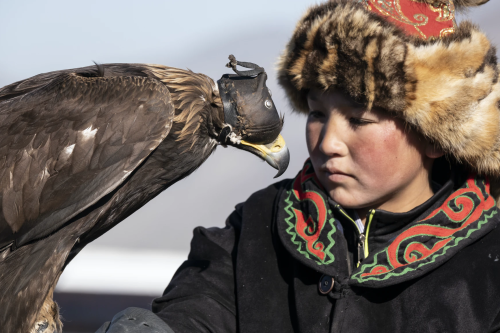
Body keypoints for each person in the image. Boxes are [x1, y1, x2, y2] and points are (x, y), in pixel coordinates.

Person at [98, 0, 500, 332]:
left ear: (433, 135)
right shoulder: (259, 227)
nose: (326, 143)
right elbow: (196, 311)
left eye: (358, 120)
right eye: (316, 114)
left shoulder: (488, 258)